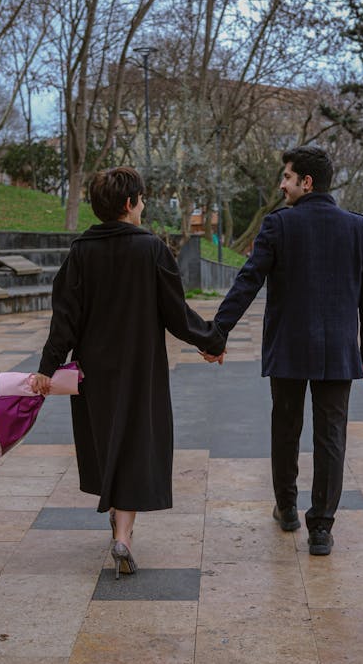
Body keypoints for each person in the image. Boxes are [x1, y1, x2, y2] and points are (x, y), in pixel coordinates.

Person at [32, 167, 224, 578]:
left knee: (109, 443)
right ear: (129, 204)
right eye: (141, 198)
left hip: (94, 373)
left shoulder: (81, 252)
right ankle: (123, 535)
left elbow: (63, 320)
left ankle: (120, 529)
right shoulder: (152, 249)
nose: (144, 204)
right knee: (136, 444)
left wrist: (46, 369)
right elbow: (176, 313)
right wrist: (210, 342)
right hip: (141, 370)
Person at [204, 145, 363, 555]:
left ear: (307, 181)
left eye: (286, 177)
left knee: (285, 429)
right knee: (331, 436)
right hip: (339, 351)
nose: (281, 185)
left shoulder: (279, 225)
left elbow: (248, 281)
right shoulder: (359, 228)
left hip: (288, 347)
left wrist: (218, 333)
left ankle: (286, 507)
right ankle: (321, 527)